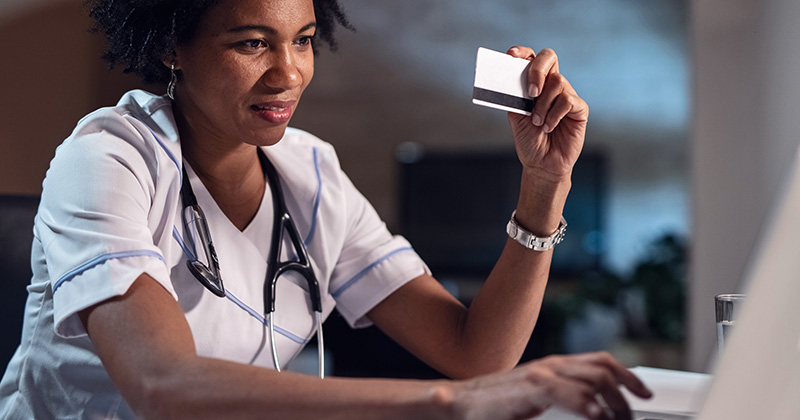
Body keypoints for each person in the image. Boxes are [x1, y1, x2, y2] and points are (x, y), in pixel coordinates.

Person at [0, 0, 652, 418]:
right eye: (252, 43)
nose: (288, 73)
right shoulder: (107, 159)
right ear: (173, 45)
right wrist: (453, 402)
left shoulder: (311, 172)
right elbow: (161, 385)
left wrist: (544, 184)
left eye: (304, 40)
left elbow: (475, 352)